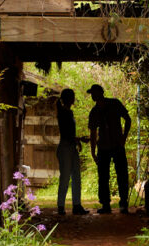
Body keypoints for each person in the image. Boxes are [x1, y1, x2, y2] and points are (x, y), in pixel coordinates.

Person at [87, 84, 131, 214]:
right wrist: (93, 151)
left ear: (101, 92)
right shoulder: (94, 112)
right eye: (91, 94)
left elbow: (128, 119)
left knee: (122, 174)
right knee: (103, 176)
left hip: (118, 145)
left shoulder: (114, 103)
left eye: (94, 93)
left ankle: (123, 203)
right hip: (103, 147)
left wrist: (124, 137)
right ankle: (106, 204)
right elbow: (93, 133)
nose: (93, 96)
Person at [56, 88, 89, 216]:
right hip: (65, 147)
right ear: (69, 99)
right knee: (65, 177)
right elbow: (66, 134)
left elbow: (69, 134)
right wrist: (79, 139)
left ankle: (76, 205)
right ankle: (61, 206)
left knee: (76, 176)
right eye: (73, 96)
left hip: (70, 147)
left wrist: (77, 141)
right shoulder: (65, 113)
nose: (74, 98)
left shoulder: (67, 112)